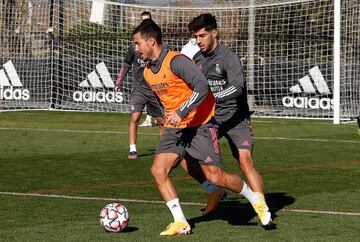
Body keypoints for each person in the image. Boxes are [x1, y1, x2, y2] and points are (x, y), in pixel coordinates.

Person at [133, 19, 271, 236]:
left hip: (208, 122)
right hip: (177, 128)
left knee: (223, 171)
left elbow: (204, 86)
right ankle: (182, 220)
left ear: (151, 41)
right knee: (163, 169)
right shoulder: (149, 72)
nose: (135, 49)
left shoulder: (178, 61)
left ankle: (256, 199)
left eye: (137, 43)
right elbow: (167, 98)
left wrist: (182, 111)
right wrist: (167, 117)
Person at [185, 13, 272, 226]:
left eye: (203, 35)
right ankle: (214, 190)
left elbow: (237, 87)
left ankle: (263, 209)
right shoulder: (196, 59)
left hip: (235, 118)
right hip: (210, 119)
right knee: (185, 159)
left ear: (215, 33)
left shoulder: (229, 58)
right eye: (196, 36)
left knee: (245, 161)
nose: (199, 40)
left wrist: (214, 96)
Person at [115, 11, 164, 159]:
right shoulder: (134, 47)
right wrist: (119, 81)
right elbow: (126, 63)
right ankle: (132, 149)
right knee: (135, 116)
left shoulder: (158, 46)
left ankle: (163, 150)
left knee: (162, 120)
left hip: (154, 89)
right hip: (139, 88)